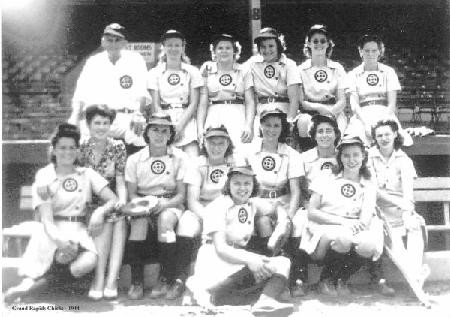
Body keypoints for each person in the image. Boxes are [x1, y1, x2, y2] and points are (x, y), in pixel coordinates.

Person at [4, 124, 117, 302]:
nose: (68, 152)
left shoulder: (86, 174)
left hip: (78, 230)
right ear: (54, 150)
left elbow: (113, 199)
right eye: (62, 148)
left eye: (72, 148)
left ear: (78, 151)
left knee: (87, 262)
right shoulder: (45, 176)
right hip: (51, 231)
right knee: (59, 256)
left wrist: (100, 212)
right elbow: (47, 220)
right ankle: (36, 287)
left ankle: (33, 290)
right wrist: (60, 241)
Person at [185, 165, 293, 315]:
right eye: (236, 183)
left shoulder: (250, 203)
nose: (242, 188)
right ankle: (212, 296)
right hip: (216, 265)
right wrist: (251, 260)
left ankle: (264, 303)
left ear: (253, 185)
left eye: (247, 183)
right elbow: (221, 249)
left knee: (282, 261)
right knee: (276, 264)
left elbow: (275, 208)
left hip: (235, 263)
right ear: (228, 185)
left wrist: (282, 221)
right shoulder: (217, 207)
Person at [300, 135, 383, 296]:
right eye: (346, 155)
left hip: (355, 226)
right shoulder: (326, 176)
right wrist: (342, 222)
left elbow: (365, 219)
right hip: (326, 225)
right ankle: (326, 279)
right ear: (340, 157)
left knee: (368, 244)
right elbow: (312, 212)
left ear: (363, 156)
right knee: (342, 238)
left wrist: (354, 224)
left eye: (356, 155)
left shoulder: (368, 181)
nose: (351, 160)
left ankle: (342, 278)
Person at [124, 113, 188, 300]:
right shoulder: (135, 159)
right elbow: (132, 193)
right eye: (154, 130)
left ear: (170, 134)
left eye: (164, 130)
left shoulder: (179, 157)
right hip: (143, 203)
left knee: (165, 220)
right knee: (138, 223)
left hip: (169, 202)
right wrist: (143, 207)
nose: (159, 135)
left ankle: (165, 278)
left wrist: (165, 204)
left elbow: (181, 195)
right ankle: (137, 282)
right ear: (147, 132)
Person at [171, 126, 240, 301]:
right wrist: (209, 218)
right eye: (212, 143)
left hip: (227, 209)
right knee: (186, 226)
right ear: (204, 143)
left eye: (221, 143)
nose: (216, 147)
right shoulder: (197, 163)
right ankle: (180, 278)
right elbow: (192, 200)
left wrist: (218, 218)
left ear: (228, 144)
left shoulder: (235, 162)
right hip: (201, 208)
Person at [246, 109, 306, 297]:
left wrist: (289, 216)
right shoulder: (249, 151)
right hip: (258, 200)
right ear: (260, 126)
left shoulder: (291, 154)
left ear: (282, 128)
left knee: (293, 226)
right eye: (267, 125)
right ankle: (271, 280)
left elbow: (295, 190)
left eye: (276, 125)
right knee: (263, 223)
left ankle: (293, 280)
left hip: (283, 201)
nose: (271, 129)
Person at [368, 119, 429, 295]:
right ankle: (415, 277)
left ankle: (415, 277)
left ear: (395, 134)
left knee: (414, 224)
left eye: (387, 134)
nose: (384, 138)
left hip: (401, 211)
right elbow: (375, 191)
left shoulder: (404, 160)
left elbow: (408, 194)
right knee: (393, 239)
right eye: (379, 135)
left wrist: (407, 213)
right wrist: (400, 204)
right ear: (375, 138)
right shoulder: (369, 158)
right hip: (378, 212)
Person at [69, 23, 150, 155]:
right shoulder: (93, 61)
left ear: (125, 43)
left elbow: (141, 91)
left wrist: (139, 114)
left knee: (141, 139)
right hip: (99, 118)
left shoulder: (135, 59)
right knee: (80, 140)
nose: (113, 43)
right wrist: (74, 118)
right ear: (102, 41)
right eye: (109, 39)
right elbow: (80, 94)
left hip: (126, 117)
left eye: (117, 40)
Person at [78, 104, 127, 300]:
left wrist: (122, 200)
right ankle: (98, 279)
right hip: (87, 201)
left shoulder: (118, 147)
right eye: (96, 123)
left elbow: (121, 181)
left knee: (120, 218)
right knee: (107, 219)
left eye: (105, 123)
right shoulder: (80, 147)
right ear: (88, 124)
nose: (101, 127)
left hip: (111, 197)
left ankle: (111, 280)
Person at [346, 34, 412, 147]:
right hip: (362, 115)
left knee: (399, 141)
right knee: (356, 141)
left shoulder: (389, 72)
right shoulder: (353, 74)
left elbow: (392, 103)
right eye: (366, 51)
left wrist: (383, 123)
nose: (370, 54)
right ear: (360, 52)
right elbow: (354, 105)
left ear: (379, 52)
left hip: (384, 113)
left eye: (374, 50)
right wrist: (366, 124)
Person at [147, 30, 203, 157]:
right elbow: (155, 104)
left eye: (177, 45)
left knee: (192, 162)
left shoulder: (192, 71)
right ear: (163, 47)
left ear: (183, 47)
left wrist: (180, 126)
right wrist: (169, 127)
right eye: (170, 45)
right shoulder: (154, 73)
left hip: (187, 120)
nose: (173, 48)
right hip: (163, 122)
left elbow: (194, 103)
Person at [197, 34, 255, 151]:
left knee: (241, 151)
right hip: (214, 113)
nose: (224, 51)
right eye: (220, 48)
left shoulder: (244, 70)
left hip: (238, 113)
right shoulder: (207, 69)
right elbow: (202, 102)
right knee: (215, 150)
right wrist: (200, 127)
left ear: (234, 51)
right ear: (214, 51)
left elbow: (250, 101)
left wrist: (249, 125)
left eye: (228, 48)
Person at [296, 25, 348, 151]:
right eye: (315, 41)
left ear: (328, 44)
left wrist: (330, 113)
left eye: (323, 41)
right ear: (308, 43)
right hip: (310, 111)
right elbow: (301, 102)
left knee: (338, 128)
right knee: (303, 123)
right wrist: (319, 108)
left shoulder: (337, 68)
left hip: (333, 110)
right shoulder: (300, 70)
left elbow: (342, 101)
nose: (319, 44)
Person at [246, 27, 301, 139]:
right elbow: (235, 70)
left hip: (283, 110)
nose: (267, 50)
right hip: (262, 110)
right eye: (263, 47)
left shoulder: (289, 65)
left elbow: (294, 99)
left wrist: (289, 123)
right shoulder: (253, 63)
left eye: (271, 46)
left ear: (278, 46)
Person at [299, 114, 341, 205]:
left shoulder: (343, 157)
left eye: (329, 131)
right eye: (320, 131)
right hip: (310, 205)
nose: (324, 135)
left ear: (336, 134)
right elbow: (299, 189)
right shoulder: (304, 158)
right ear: (314, 136)